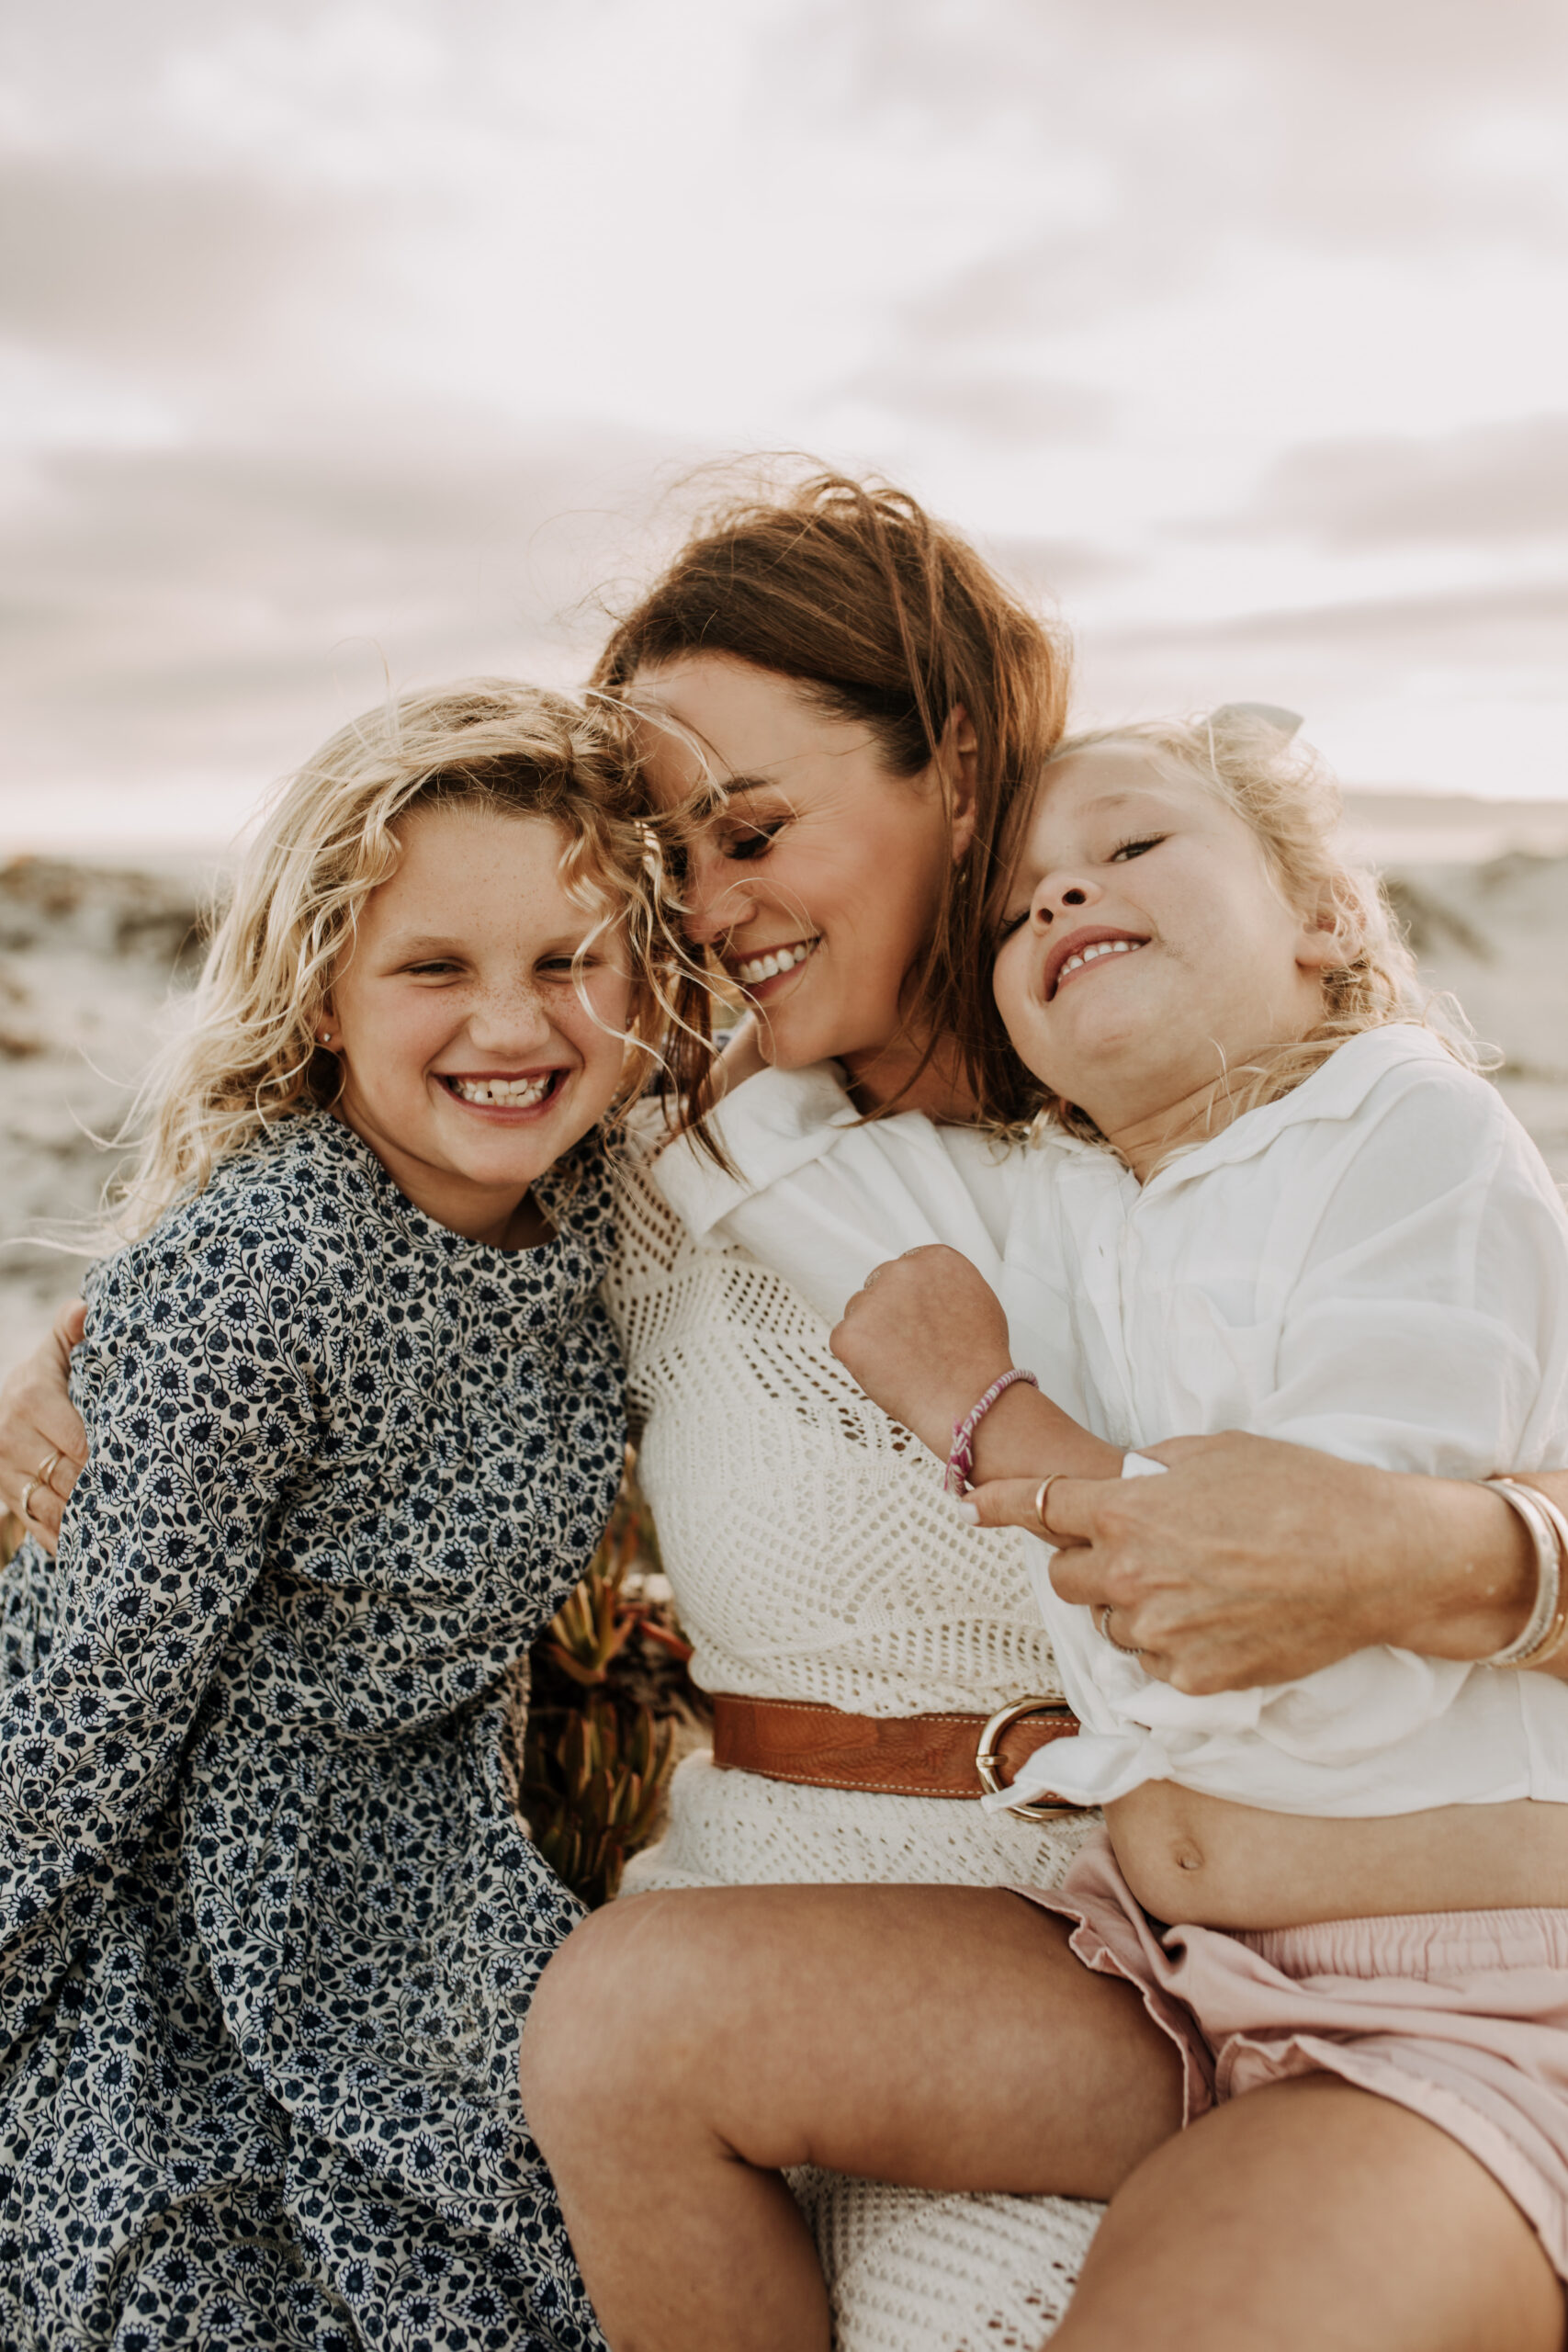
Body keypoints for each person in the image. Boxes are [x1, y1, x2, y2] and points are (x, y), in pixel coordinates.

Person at [7, 472, 1568, 2348]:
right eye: (669, 859)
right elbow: (363, 1229)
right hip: (869, 1950)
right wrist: (90, 1346)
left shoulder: (1215, 1123)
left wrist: (1470, 1554)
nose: (708, 905)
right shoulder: (668, 1147)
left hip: (1230, 1949)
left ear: (961, 771)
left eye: (750, 827)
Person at [0, 681, 678, 2352]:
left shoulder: (604, 1197)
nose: (512, 1026)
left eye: (568, 962)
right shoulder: (263, 1277)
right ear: (319, 993)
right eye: (434, 967)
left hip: (443, 1885)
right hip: (194, 1927)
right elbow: (80, 1720)